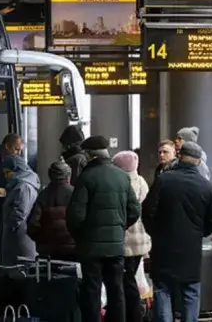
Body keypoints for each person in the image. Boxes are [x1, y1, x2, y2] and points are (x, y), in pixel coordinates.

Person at [142, 141, 212, 322]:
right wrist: (198, 233)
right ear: (199, 162)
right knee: (190, 292)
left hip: (163, 247)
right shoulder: (206, 186)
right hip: (191, 248)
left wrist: (155, 232)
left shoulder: (164, 180)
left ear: (179, 156)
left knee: (163, 290)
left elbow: (148, 211)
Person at [66, 135, 141, 322]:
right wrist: (119, 227)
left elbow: (76, 215)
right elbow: (135, 210)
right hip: (116, 246)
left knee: (92, 289)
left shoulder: (86, 178)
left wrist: (80, 236)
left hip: (91, 247)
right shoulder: (122, 176)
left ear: (89, 155)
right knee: (116, 288)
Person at [112, 150, 152, 322]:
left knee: (126, 281)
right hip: (140, 240)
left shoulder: (122, 183)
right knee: (131, 279)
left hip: (127, 240)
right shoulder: (141, 181)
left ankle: (132, 316)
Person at [26, 161, 76, 261]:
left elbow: (32, 224)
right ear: (68, 176)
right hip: (73, 249)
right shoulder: (76, 194)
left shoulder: (43, 195)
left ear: (50, 175)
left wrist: (42, 240)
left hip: (48, 251)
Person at [0, 154, 41, 265]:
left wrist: (11, 225)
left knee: (21, 266)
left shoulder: (24, 187)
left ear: (17, 169)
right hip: (17, 234)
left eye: (7, 172)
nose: (6, 176)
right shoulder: (19, 185)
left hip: (20, 236)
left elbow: (20, 211)